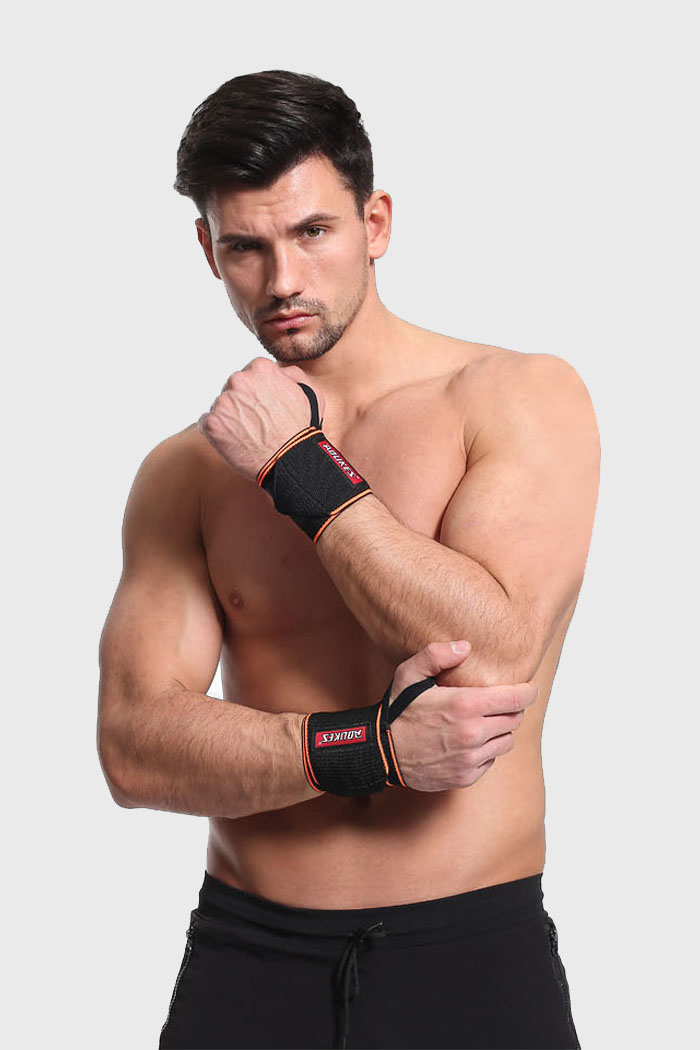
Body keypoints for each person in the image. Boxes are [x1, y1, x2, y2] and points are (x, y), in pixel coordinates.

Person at [97, 70, 599, 1050]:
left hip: (467, 959)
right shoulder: (183, 474)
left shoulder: (514, 397)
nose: (282, 280)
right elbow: (132, 747)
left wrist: (297, 466)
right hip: (247, 960)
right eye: (245, 247)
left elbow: (495, 658)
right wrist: (368, 748)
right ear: (207, 250)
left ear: (375, 223)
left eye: (313, 232)